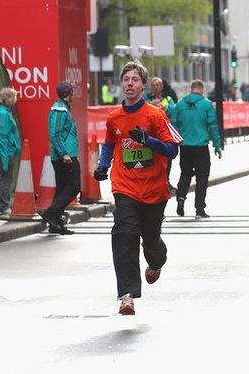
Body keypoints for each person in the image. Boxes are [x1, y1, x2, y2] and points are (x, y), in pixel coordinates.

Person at [93, 61, 182, 315]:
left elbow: (172, 149)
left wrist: (148, 141)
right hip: (125, 187)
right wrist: (102, 165)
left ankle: (156, 262)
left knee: (151, 242)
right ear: (122, 84)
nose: (129, 84)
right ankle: (127, 295)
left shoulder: (155, 115)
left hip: (154, 190)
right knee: (124, 234)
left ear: (143, 85)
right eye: (126, 79)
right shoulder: (114, 118)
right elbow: (110, 144)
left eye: (135, 80)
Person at [171, 80, 222, 219]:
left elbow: (173, 124)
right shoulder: (206, 104)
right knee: (202, 178)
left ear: (191, 89)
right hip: (201, 147)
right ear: (202, 90)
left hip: (185, 146)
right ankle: (199, 209)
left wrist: (176, 142)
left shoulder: (180, 104)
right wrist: (217, 145)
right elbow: (212, 125)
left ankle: (181, 196)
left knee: (185, 173)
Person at [43, 82, 81, 235]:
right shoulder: (59, 109)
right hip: (65, 156)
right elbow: (54, 134)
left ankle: (55, 224)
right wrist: (64, 153)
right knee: (74, 187)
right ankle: (51, 213)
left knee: (61, 190)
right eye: (72, 92)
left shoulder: (62, 107)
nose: (73, 95)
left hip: (64, 154)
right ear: (67, 94)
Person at [0, 88, 21, 216]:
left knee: (4, 178)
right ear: (8, 99)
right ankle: (3, 206)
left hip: (0, 150)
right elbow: (3, 136)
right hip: (6, 152)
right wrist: (5, 159)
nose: (14, 102)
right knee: (5, 179)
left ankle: (2, 205)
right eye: (13, 98)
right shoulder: (4, 114)